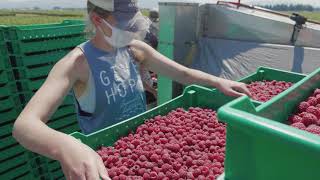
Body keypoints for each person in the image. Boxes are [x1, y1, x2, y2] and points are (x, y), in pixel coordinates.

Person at [12, 0, 251, 179]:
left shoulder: (134, 49)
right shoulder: (77, 63)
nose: (131, 31)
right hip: (104, 162)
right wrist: (66, 146)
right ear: (98, 20)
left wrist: (218, 82)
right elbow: (24, 126)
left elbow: (182, 73)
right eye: (125, 24)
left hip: (142, 145)